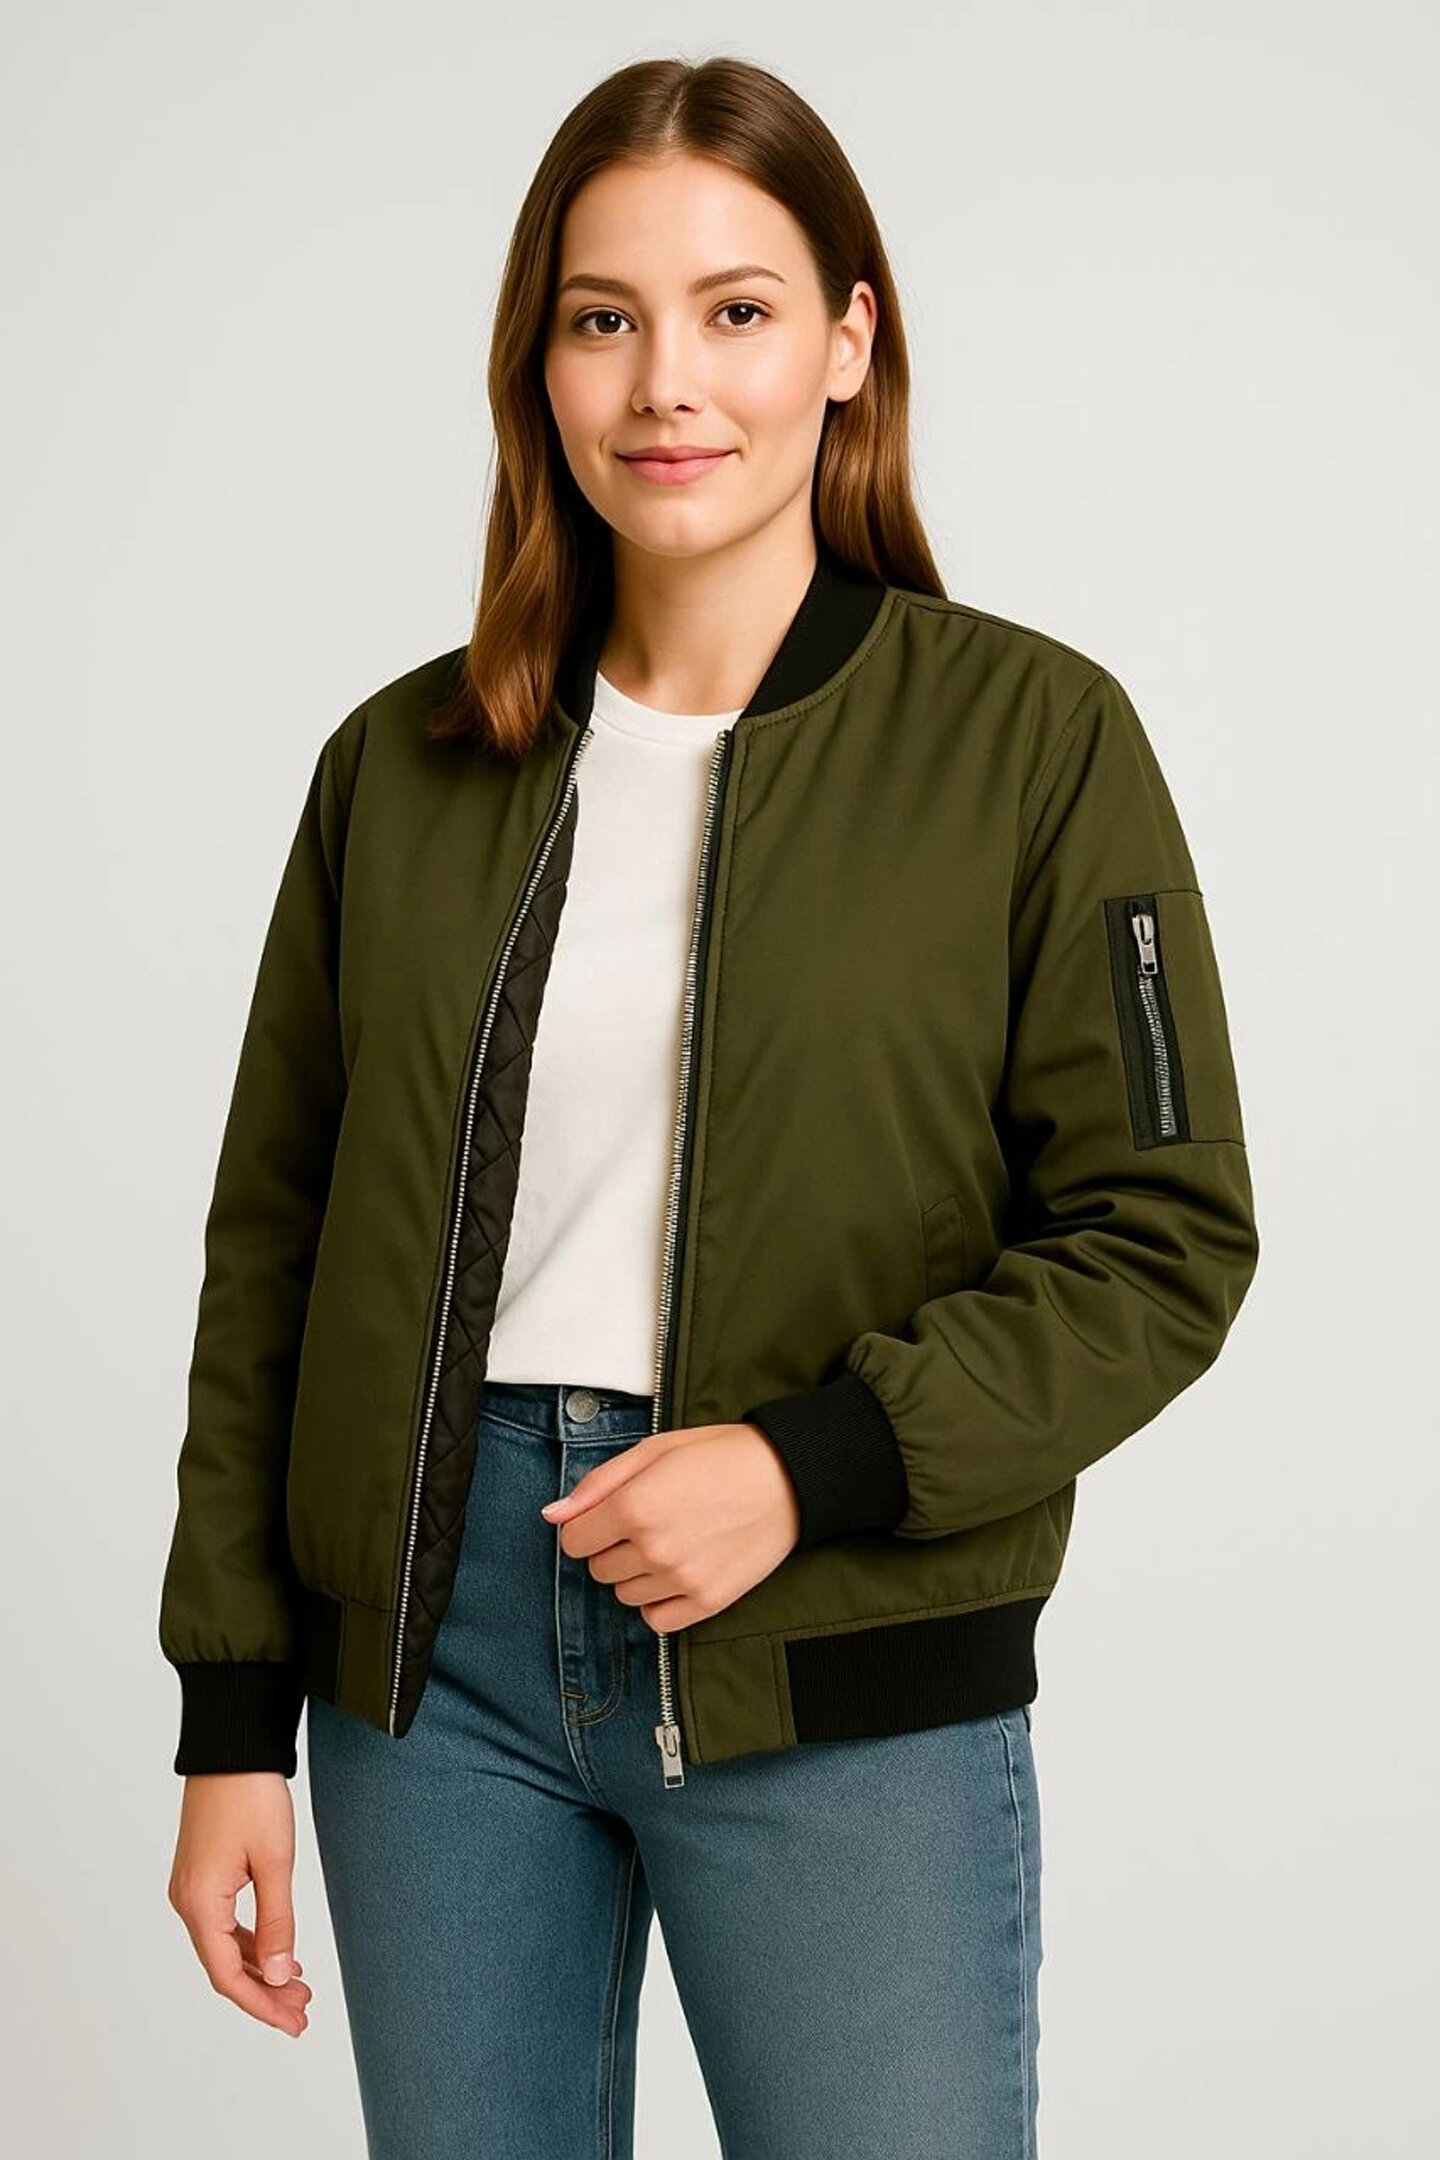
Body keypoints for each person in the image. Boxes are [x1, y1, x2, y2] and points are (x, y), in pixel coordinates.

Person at [159, 53, 1259, 2160]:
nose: (668, 380)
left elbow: (1165, 1239)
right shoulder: (399, 767)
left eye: (737, 309)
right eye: (605, 316)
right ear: (540, 362)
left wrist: (808, 1463)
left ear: (848, 341)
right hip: (433, 1668)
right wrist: (231, 1718)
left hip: (836, 1639)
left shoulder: (1032, 745)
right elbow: (273, 1254)